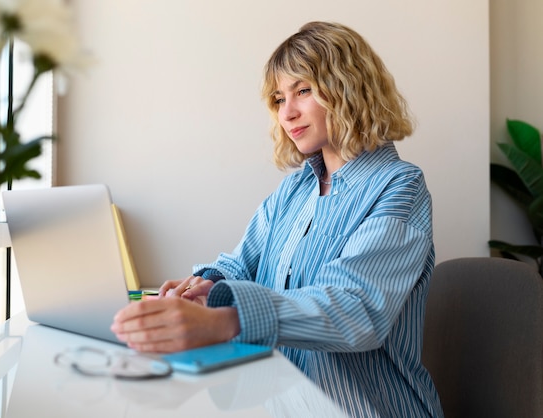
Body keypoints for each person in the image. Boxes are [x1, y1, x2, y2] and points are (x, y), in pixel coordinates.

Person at [111, 21, 444, 418]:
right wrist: (204, 286)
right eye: (277, 98)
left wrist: (225, 322)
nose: (287, 113)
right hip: (283, 403)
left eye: (303, 90)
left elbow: (357, 309)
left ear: (348, 88)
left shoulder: (399, 186)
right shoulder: (294, 190)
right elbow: (240, 265)